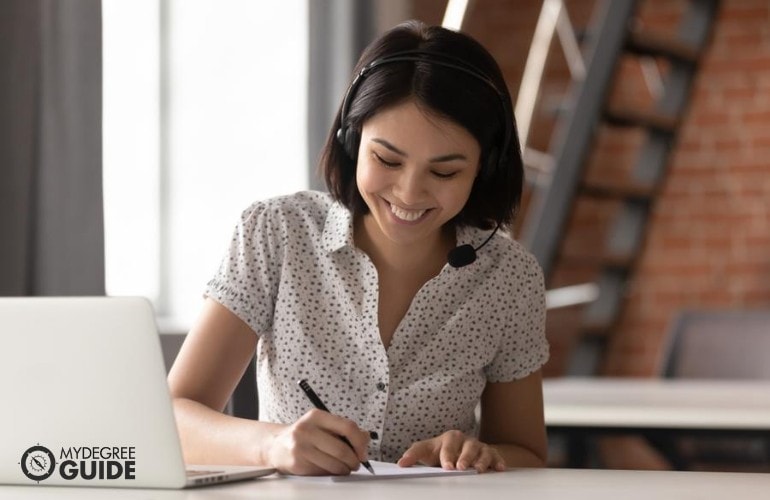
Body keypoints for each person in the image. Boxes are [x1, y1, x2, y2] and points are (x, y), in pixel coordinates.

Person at [168, 19, 549, 476]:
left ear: (485, 170)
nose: (409, 193)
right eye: (386, 159)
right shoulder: (277, 233)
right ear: (352, 142)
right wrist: (273, 445)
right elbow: (173, 417)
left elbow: (526, 452)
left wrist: (482, 455)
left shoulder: (509, 277)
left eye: (444, 172)